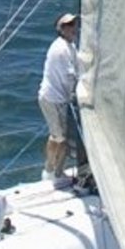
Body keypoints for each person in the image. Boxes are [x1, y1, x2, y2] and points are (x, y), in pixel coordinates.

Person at [39, 12, 80, 187]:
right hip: (53, 99)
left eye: (74, 24)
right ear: (61, 29)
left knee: (56, 136)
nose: (73, 28)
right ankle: (56, 174)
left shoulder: (70, 46)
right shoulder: (61, 49)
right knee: (61, 139)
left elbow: (77, 66)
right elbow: (69, 76)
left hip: (56, 99)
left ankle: (49, 170)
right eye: (68, 25)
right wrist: (76, 95)